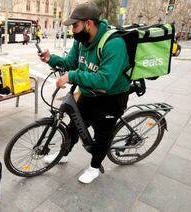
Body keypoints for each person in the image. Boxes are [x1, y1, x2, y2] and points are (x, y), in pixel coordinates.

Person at [38, 3, 131, 184]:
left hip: (111, 97)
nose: (73, 30)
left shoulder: (114, 44)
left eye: (75, 25)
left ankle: (94, 167)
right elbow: (71, 63)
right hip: (89, 94)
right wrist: (51, 59)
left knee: (102, 134)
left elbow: (105, 80)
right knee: (74, 126)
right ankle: (63, 154)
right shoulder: (81, 41)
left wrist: (71, 76)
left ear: (88, 23)